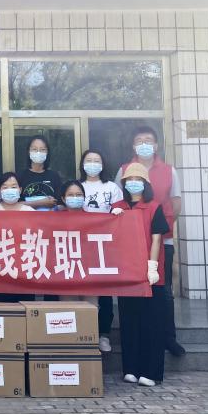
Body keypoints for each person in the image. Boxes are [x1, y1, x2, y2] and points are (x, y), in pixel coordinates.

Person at [116, 126, 184, 357]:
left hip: (161, 240)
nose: (144, 144)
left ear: (156, 145)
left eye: (148, 140)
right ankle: (140, 336)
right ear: (133, 146)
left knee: (163, 290)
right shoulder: (124, 170)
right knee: (135, 290)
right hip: (132, 244)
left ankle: (168, 337)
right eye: (139, 140)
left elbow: (176, 203)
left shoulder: (168, 171)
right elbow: (120, 203)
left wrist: (159, 225)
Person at [114, 162, 167, 387]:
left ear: (146, 184)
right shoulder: (117, 207)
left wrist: (151, 266)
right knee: (129, 322)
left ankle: (151, 371)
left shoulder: (154, 207)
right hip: (127, 274)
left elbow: (156, 239)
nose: (133, 183)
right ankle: (131, 369)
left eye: (138, 179)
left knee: (151, 323)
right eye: (129, 180)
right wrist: (112, 218)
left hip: (150, 274)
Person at [80, 149, 125, 352]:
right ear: (82, 164)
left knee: (104, 291)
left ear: (103, 164)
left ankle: (103, 334)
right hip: (82, 245)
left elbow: (120, 214)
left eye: (96, 160)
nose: (92, 164)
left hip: (105, 245)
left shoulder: (112, 187)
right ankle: (83, 333)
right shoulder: (78, 186)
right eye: (88, 160)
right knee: (83, 290)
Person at [18, 134, 64, 209]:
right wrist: (41, 203)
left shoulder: (54, 176)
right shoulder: (20, 176)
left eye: (42, 149)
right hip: (26, 216)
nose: (38, 152)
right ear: (28, 151)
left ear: (47, 152)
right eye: (34, 149)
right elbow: (15, 205)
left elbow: (60, 203)